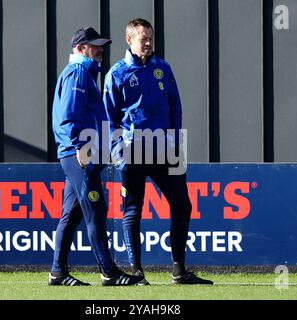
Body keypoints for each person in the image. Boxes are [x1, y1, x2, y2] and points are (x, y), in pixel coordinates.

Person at [103, 18, 213, 285]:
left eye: (151, 38)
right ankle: (137, 272)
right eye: (144, 39)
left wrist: (175, 141)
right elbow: (109, 118)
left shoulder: (163, 68)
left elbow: (175, 106)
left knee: (182, 205)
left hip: (165, 150)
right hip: (133, 151)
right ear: (129, 40)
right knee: (133, 210)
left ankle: (179, 269)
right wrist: (117, 151)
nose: (149, 43)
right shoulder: (116, 74)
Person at [49, 27, 144, 286]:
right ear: (80, 48)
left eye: (101, 46)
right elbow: (70, 114)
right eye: (95, 46)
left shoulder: (84, 73)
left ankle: (57, 272)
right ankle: (109, 272)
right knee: (96, 210)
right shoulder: (79, 72)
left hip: (80, 151)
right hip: (79, 152)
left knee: (72, 214)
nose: (100, 50)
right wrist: (81, 145)